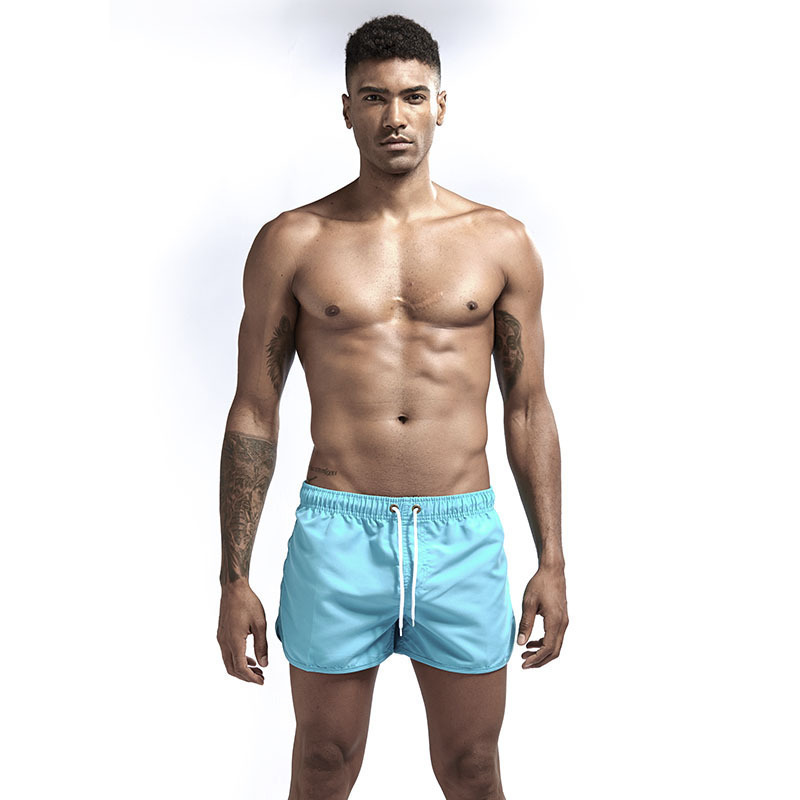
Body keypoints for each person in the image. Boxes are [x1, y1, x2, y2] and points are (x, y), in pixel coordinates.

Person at [216, 13, 568, 800]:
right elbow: (254, 411)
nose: (394, 116)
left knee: (472, 768)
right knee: (322, 762)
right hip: (339, 530)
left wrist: (553, 560)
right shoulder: (294, 241)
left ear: (441, 105)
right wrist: (233, 577)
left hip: (461, 535)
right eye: (374, 97)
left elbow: (528, 407)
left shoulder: (500, 241)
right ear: (346, 109)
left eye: (412, 96)